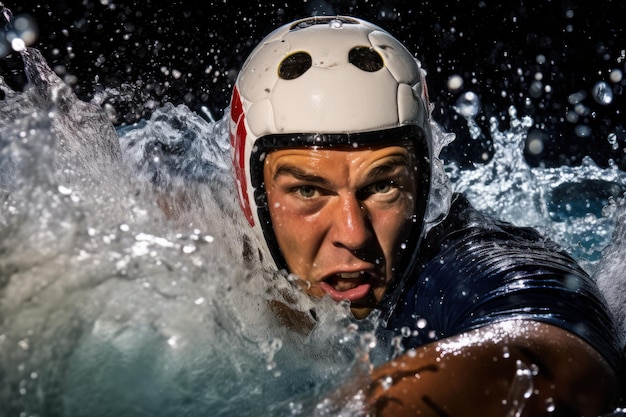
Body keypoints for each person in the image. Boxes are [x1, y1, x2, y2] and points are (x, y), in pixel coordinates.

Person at [228, 15, 624, 416]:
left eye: (383, 186)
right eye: (308, 190)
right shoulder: (206, 254)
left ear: (422, 180)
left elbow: (564, 365)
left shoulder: (456, 268)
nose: (353, 233)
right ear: (252, 194)